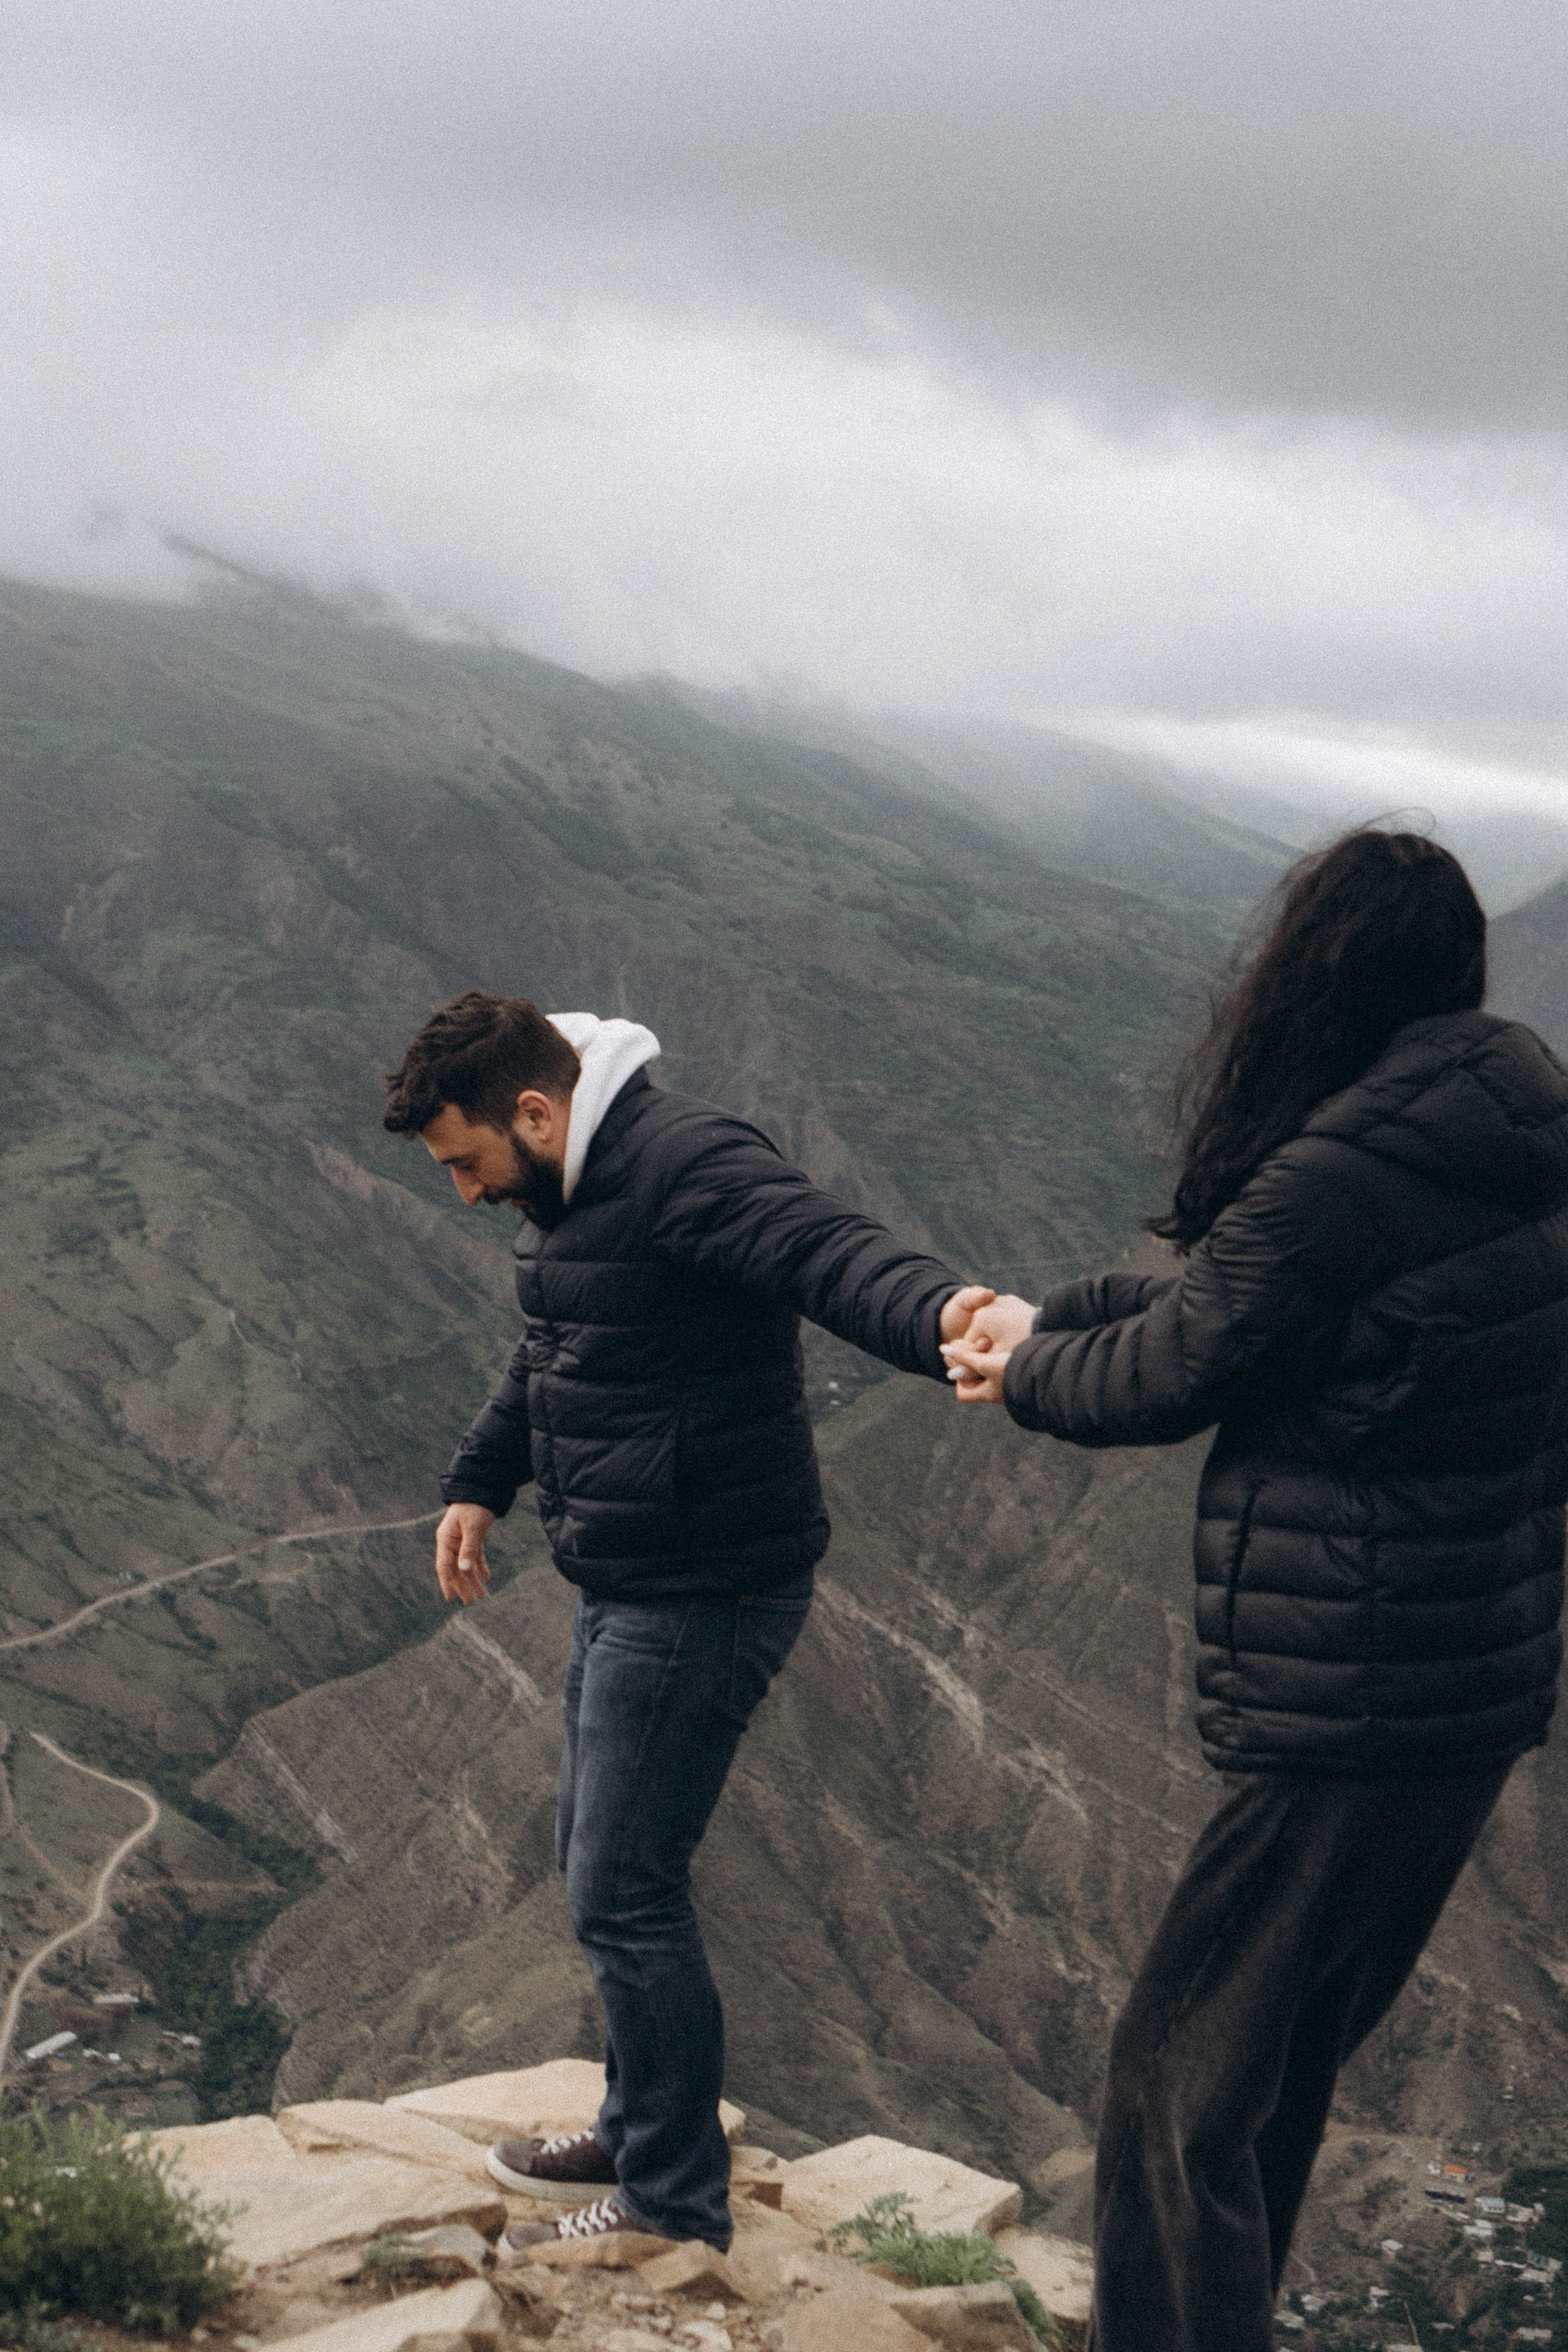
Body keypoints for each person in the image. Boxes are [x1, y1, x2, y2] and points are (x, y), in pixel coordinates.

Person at [941, 830, 1568, 2352]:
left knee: (1171, 2087)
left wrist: (1023, 1371)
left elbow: (1173, 1371)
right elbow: (1255, 1314)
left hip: (1342, 1699)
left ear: (1318, 977)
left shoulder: (1337, 1174)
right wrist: (1053, 1316)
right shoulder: (1515, 1139)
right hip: (1471, 1696)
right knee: (1260, 2079)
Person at [383, 992, 992, 2260]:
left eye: (467, 1163)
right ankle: (638, 2127)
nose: (464, 1191)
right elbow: (556, 1348)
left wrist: (943, 1316)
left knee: (624, 1889)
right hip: (632, 1574)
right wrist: (479, 1481)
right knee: (595, 1864)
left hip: (706, 1585)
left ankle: (668, 2206)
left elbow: (831, 1253)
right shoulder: (572, 1193)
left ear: (535, 1113)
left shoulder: (683, 1164)